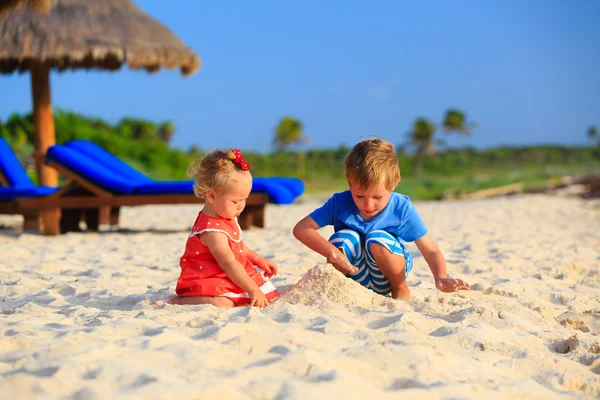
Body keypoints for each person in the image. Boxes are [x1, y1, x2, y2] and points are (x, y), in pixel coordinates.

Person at [293, 137, 469, 299]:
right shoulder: (340, 203)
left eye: (377, 197)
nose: (368, 205)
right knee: (343, 238)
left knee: (376, 239)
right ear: (349, 182)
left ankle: (400, 289)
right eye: (359, 196)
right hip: (353, 274)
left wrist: (441, 277)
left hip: (389, 274)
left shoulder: (401, 208)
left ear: (394, 183)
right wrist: (329, 250)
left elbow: (430, 250)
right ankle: (340, 288)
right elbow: (302, 228)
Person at [166, 148, 279, 308]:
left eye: (244, 200)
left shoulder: (226, 215)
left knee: (267, 294)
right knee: (222, 302)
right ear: (211, 196)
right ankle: (179, 301)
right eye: (235, 201)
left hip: (225, 274)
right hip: (207, 278)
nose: (241, 206)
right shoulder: (212, 231)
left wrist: (259, 260)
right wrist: (252, 290)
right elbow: (228, 263)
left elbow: (239, 248)